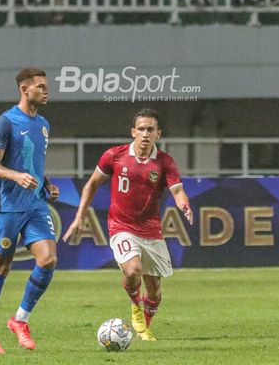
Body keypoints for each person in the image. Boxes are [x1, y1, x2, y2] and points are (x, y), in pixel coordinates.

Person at [63, 108, 193, 341]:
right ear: (133, 132)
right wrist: (79, 217)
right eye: (141, 129)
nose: (145, 134)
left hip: (152, 230)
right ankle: (135, 307)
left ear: (158, 134)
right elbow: (91, 184)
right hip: (121, 226)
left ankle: (144, 326)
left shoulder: (165, 162)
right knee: (133, 270)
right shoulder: (114, 155)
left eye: (150, 129)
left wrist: (184, 205)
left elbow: (178, 190)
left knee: (154, 289)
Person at [0, 67, 60, 354]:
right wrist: (16, 177)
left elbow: (30, 161)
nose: (46, 91)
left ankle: (19, 320)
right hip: (6, 206)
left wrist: (45, 183)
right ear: (25, 90)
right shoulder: (6, 122)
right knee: (1, 267)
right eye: (40, 87)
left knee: (48, 259)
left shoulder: (44, 123)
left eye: (47, 86)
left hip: (34, 203)